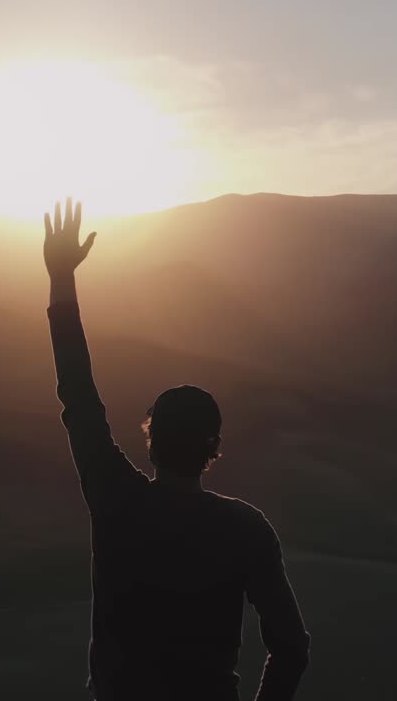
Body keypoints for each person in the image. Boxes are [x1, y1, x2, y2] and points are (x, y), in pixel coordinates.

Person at [43, 197, 310, 701]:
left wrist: (61, 278)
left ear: (150, 439)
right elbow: (292, 649)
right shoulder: (247, 529)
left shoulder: (116, 499)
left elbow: (77, 393)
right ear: (214, 447)